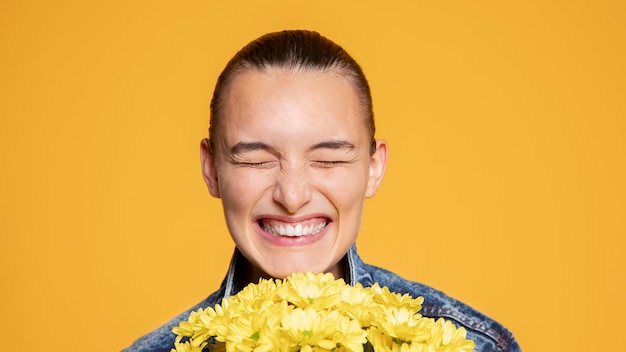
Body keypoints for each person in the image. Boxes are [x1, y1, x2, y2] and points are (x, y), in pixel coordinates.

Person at [123, 30, 520, 352]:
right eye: (257, 159)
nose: (292, 197)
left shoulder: (473, 346)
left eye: (328, 159)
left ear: (372, 168)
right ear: (211, 169)